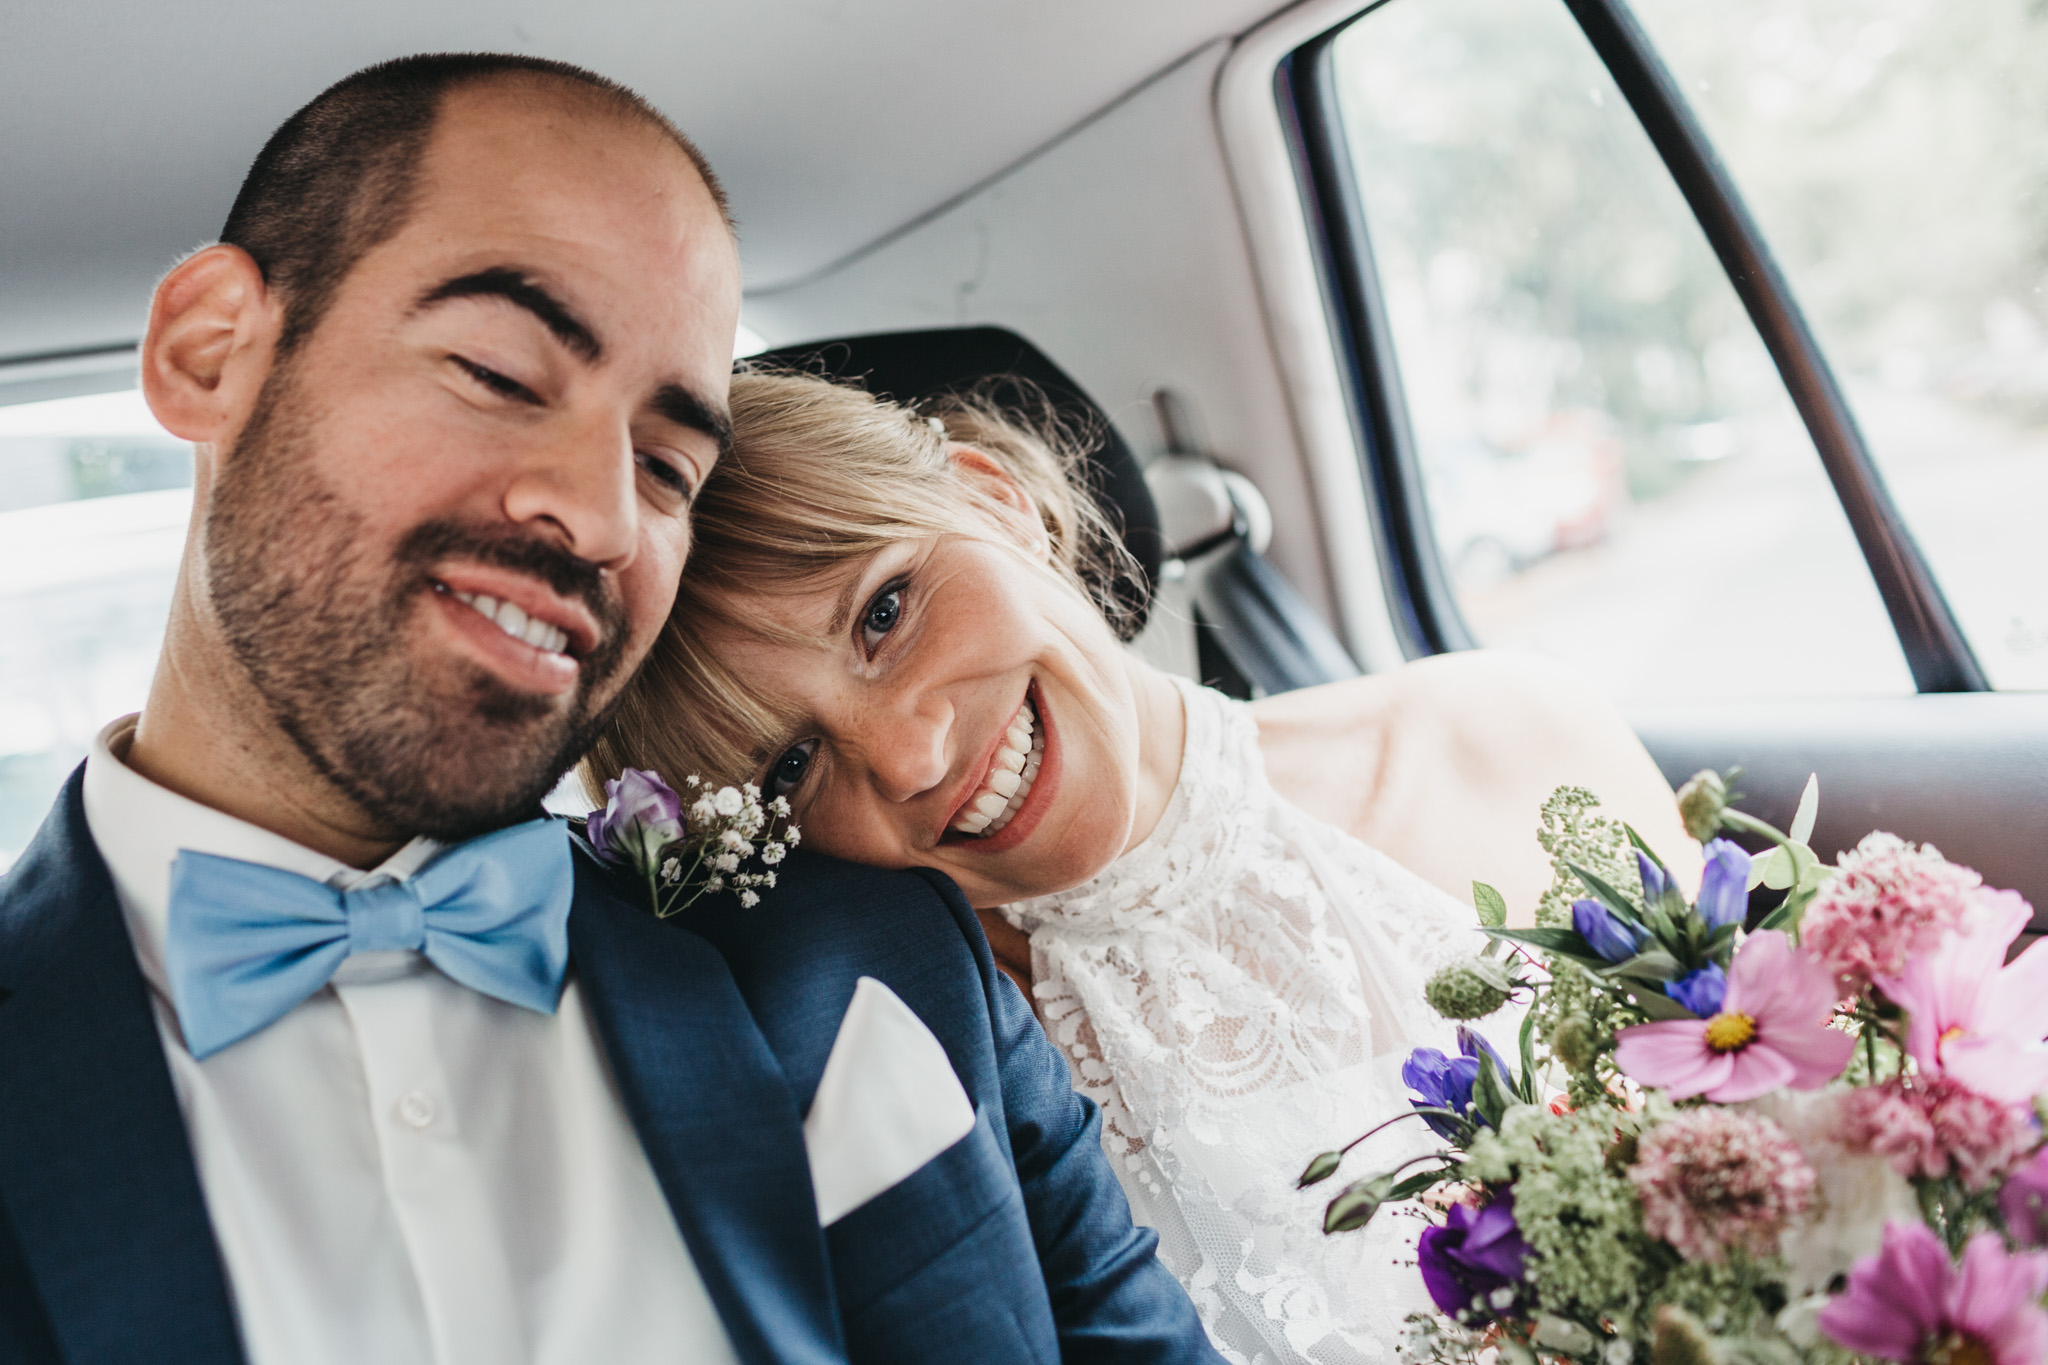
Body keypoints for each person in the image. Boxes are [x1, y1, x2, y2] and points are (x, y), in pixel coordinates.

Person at [0, 55, 1220, 1365]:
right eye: (500, 371)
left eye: (666, 465)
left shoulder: (871, 951)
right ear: (211, 353)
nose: (595, 514)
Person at [587, 370, 1702, 1363]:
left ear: (994, 498)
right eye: (789, 768)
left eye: (884, 610)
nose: (908, 754)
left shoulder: (1503, 740)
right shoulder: (914, 1080)